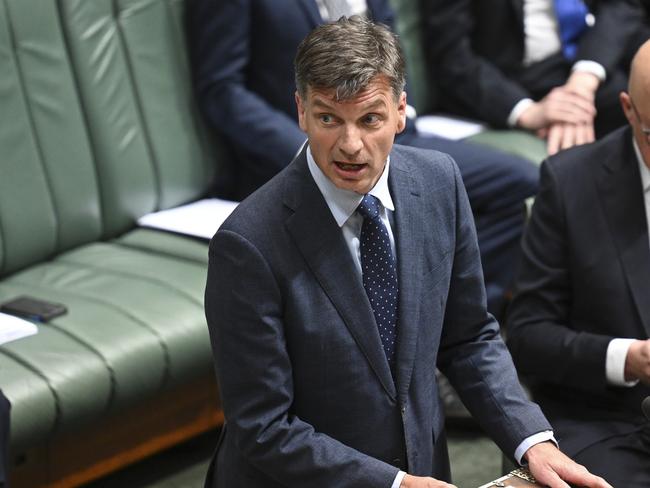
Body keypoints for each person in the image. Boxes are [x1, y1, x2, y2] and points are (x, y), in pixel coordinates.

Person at [203, 17, 611, 488]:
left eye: (370, 119)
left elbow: (469, 336)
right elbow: (263, 428)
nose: (350, 145)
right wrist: (393, 484)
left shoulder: (440, 182)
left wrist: (530, 439)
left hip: (424, 468)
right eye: (328, 119)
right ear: (300, 111)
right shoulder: (247, 244)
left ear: (401, 111)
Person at [188, 0, 540, 318]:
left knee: (517, 184)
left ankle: (444, 331)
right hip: (303, 150)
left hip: (390, 136)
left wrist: (396, 122)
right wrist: (310, 146)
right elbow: (221, 89)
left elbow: (390, 49)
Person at [506, 40, 650, 487]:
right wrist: (630, 358)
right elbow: (529, 335)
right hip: (611, 421)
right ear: (628, 110)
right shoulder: (570, 183)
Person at [422, 0, 648, 155]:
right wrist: (528, 113)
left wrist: (584, 81)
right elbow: (450, 55)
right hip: (515, 76)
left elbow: (623, 4)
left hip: (592, 48)